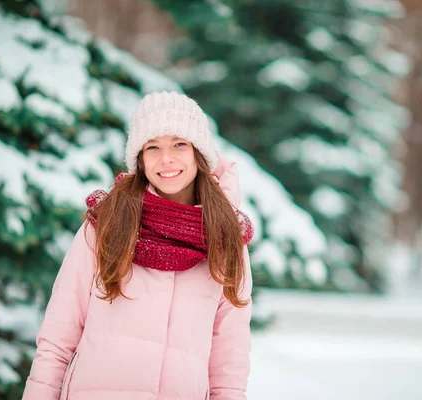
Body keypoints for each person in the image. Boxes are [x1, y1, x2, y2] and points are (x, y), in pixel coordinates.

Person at [22, 91, 255, 400]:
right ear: (140, 160)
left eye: (179, 144)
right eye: (153, 147)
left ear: (199, 153)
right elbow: (57, 339)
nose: (166, 158)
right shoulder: (106, 225)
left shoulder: (226, 240)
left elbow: (229, 361)